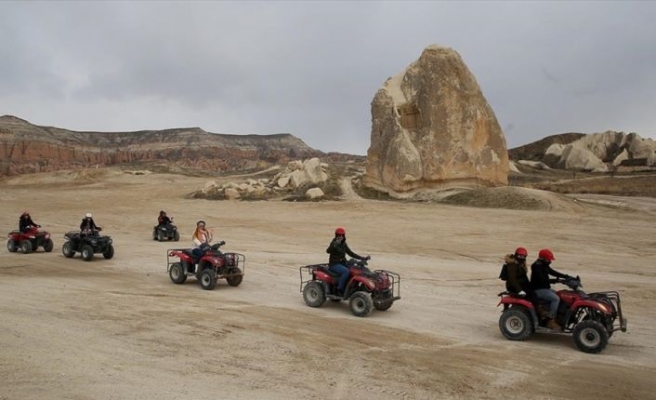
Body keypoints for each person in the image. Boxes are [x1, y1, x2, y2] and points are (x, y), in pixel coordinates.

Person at [530, 248, 571, 330]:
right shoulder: (536, 267)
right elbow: (543, 280)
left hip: (545, 288)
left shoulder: (543, 265)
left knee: (560, 295)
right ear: (542, 258)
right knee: (555, 299)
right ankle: (551, 320)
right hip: (538, 290)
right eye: (548, 260)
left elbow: (553, 272)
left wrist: (566, 276)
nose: (550, 261)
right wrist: (557, 280)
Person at [326, 227, 367, 297]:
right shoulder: (333, 243)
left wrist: (362, 258)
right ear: (336, 235)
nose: (341, 237)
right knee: (346, 271)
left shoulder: (344, 244)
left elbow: (350, 253)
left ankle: (351, 287)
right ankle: (339, 289)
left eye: (342, 235)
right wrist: (335, 244)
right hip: (334, 264)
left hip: (343, 263)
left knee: (354, 269)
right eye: (339, 235)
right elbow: (328, 251)